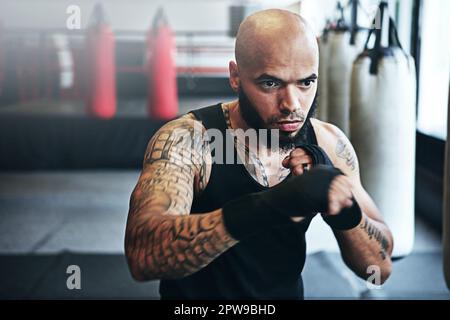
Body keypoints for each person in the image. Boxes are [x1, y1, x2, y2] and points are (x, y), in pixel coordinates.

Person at [124, 9, 393, 299]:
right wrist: (271, 205)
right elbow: (143, 256)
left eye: (305, 82)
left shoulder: (328, 143)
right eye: (271, 83)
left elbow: (378, 267)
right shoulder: (190, 139)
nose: (292, 104)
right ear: (236, 77)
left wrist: (345, 210)